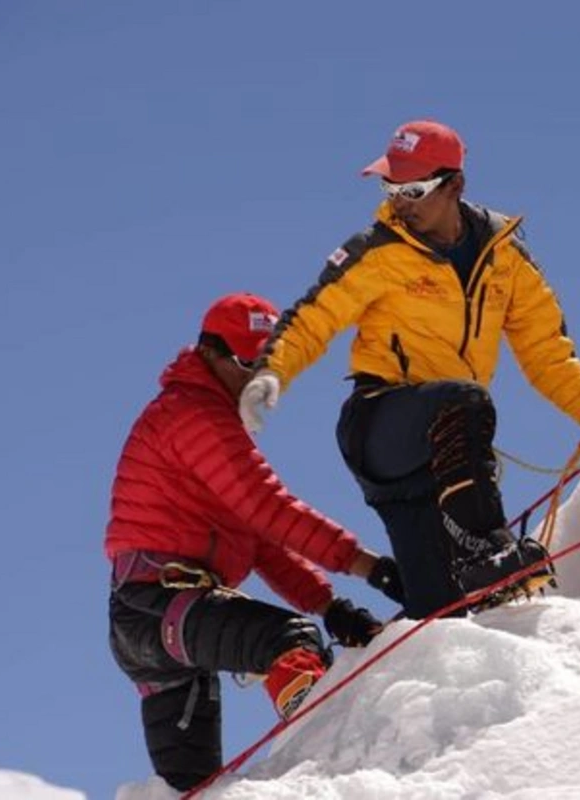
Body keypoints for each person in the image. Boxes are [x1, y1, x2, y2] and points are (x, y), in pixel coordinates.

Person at [238, 120, 580, 620]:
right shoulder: (377, 250)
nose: (399, 201)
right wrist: (271, 371)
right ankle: (486, 547)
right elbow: (313, 318)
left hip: (446, 461)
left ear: (455, 185)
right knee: (463, 400)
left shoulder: (504, 257)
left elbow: (546, 352)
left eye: (412, 189)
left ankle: (461, 600)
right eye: (390, 186)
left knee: (443, 615)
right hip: (382, 425)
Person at [105, 291, 404, 792]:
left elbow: (260, 540)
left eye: (267, 363)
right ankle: (325, 757)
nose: (255, 378)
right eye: (246, 362)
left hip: (150, 618)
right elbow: (270, 508)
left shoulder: (200, 419)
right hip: (159, 604)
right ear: (210, 353)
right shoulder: (194, 415)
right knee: (291, 643)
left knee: (195, 787)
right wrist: (371, 566)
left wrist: (331, 606)